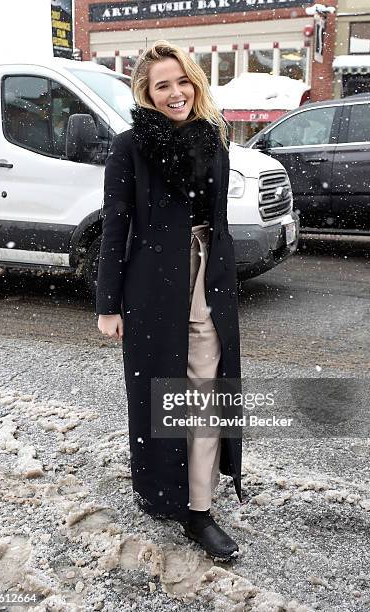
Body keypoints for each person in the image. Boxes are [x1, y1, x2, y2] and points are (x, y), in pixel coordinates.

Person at [96, 40, 242, 561]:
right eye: (163, 85)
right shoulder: (129, 146)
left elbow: (218, 222)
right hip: (151, 286)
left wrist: (226, 280)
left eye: (183, 82)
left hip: (208, 280)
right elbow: (117, 227)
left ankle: (199, 512)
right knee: (159, 396)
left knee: (205, 396)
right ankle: (159, 489)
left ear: (195, 84)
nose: (176, 93)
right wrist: (107, 304)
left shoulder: (214, 141)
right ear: (147, 92)